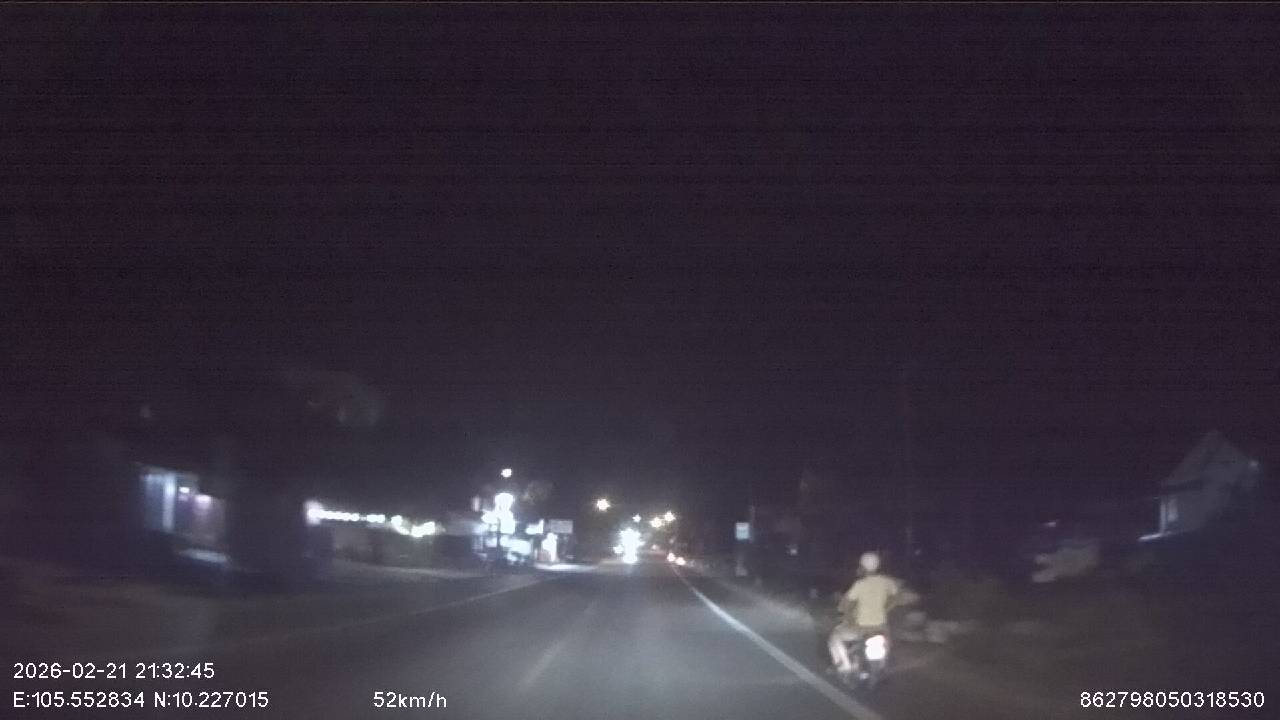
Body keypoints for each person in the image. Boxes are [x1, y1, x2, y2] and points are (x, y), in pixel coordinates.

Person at [828, 551, 900, 678]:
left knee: (835, 637)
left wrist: (849, 618)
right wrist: (885, 608)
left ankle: (845, 667)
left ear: (862, 567)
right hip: (881, 627)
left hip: (861, 628)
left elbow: (845, 605)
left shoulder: (860, 584)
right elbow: (896, 597)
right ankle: (882, 665)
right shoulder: (887, 582)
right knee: (886, 640)